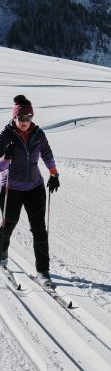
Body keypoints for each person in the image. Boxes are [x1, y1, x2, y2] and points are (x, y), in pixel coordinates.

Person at [0, 95, 60, 283]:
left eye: (29, 118)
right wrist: (6, 158)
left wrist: (54, 174)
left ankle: (43, 270)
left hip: (35, 187)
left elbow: (47, 154)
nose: (25, 122)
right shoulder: (6, 136)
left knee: (40, 229)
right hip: (11, 188)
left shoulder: (38, 134)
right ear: (15, 117)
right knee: (8, 226)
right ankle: (2, 255)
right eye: (22, 118)